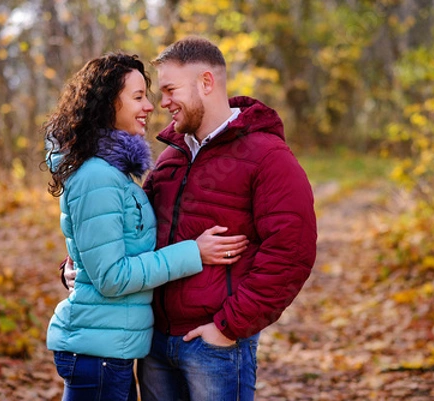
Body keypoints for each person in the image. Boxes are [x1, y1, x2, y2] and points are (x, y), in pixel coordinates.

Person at [65, 37, 318, 400]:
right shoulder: (169, 159)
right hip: (152, 343)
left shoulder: (267, 156)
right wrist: (77, 265)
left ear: (206, 83)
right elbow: (125, 231)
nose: (160, 103)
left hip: (214, 347)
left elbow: (291, 252)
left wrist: (230, 326)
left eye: (169, 90)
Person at [43, 52, 248, 401]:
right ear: (108, 104)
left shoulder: (114, 173)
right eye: (138, 97)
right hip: (98, 352)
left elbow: (107, 248)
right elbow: (112, 277)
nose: (150, 106)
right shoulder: (98, 176)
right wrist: (193, 252)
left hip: (112, 349)